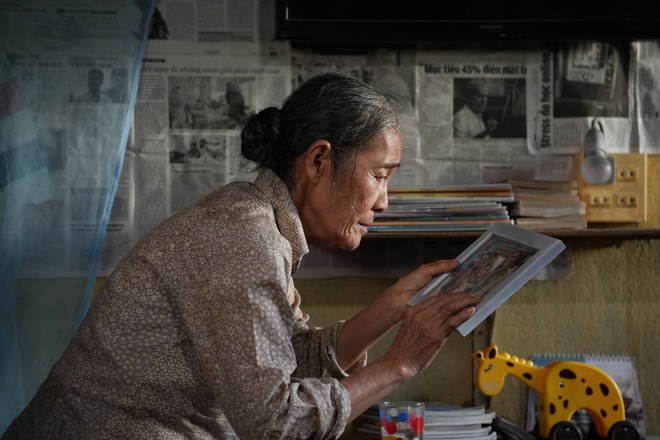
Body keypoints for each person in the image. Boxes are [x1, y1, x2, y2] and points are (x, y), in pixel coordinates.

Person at [2, 73, 480, 439]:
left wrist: (393, 305)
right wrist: (400, 365)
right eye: (379, 175)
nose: (384, 202)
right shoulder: (243, 238)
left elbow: (289, 360)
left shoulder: (255, 219)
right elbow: (275, 424)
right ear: (318, 161)